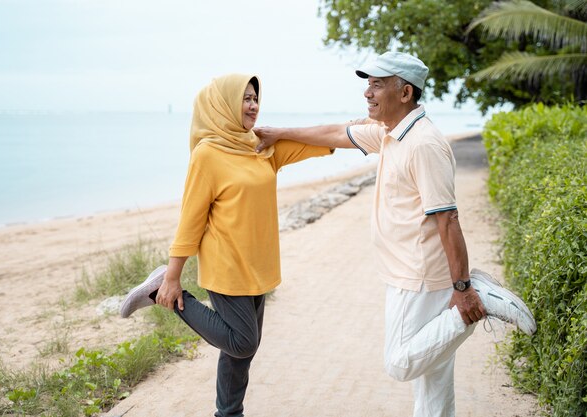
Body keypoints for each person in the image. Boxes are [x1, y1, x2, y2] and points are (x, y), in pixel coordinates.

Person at [253, 51, 536, 417]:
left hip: (417, 276)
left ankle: (480, 299)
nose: (367, 93)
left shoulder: (424, 143)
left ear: (405, 93)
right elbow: (336, 132)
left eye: (377, 84)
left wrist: (464, 289)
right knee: (434, 382)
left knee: (400, 362)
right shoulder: (389, 133)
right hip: (412, 272)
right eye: (367, 84)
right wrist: (280, 132)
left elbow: (448, 219)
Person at [119, 73, 333, 417]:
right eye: (245, 99)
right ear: (223, 105)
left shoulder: (261, 147)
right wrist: (175, 276)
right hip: (226, 266)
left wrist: (369, 128)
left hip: (258, 266)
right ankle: (168, 295)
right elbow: (191, 220)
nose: (253, 105)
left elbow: (323, 142)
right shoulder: (208, 154)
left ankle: (229, 413)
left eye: (256, 99)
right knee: (243, 341)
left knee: (241, 353)